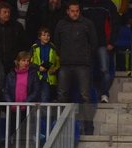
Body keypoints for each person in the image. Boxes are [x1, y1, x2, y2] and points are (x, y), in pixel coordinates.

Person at [54, 1, 98, 134]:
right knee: (62, 96)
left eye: (77, 11)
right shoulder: (61, 24)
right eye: (72, 11)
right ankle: (61, 127)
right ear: (67, 11)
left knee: (85, 97)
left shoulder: (87, 23)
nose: (75, 13)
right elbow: (57, 42)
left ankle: (89, 128)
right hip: (65, 64)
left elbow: (94, 43)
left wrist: (86, 56)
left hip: (82, 65)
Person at [81, 0, 120, 103]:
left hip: (103, 44)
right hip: (87, 44)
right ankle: (89, 95)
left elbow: (115, 24)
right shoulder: (83, 4)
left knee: (105, 70)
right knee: (87, 71)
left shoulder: (108, 4)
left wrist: (111, 41)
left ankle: (104, 94)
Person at [0, 2, 27, 75]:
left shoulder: (17, 27)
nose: (7, 14)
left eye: (8, 12)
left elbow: (22, 44)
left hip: (13, 62)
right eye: (5, 12)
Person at [30, 26, 60, 103]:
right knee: (34, 98)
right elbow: (29, 62)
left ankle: (43, 115)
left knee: (44, 98)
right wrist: (38, 67)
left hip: (47, 77)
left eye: (48, 35)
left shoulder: (53, 48)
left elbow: (58, 62)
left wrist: (54, 69)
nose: (46, 37)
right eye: (44, 35)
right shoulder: (34, 47)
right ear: (39, 37)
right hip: (36, 76)